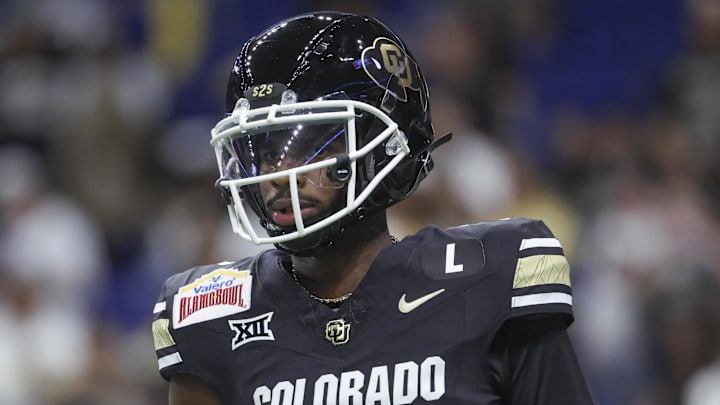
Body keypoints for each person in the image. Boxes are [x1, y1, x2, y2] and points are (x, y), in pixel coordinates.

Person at [151, 10, 594, 404]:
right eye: (266, 152)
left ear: (387, 146)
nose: (280, 175)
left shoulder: (490, 278)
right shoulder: (210, 316)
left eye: (310, 146)